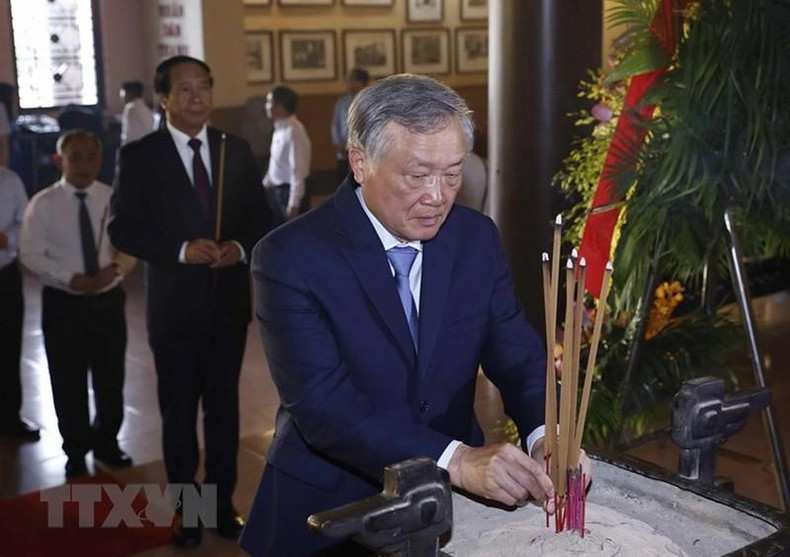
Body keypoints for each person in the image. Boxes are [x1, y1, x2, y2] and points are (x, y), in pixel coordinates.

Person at [240, 74, 592, 556]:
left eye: (452, 173)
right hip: (332, 506)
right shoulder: (290, 256)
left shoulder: (475, 238)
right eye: (417, 174)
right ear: (360, 162)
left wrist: (545, 434)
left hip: (448, 508)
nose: (437, 195)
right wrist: (457, 459)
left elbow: (515, 353)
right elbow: (324, 407)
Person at [109, 56, 274, 549]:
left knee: (223, 411)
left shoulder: (235, 150)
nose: (197, 97)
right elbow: (122, 228)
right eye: (185, 89)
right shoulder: (141, 156)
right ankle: (188, 511)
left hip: (226, 306)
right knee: (180, 415)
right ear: (164, 97)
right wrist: (180, 250)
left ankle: (221, 505)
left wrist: (238, 248)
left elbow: (260, 220)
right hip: (175, 310)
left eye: (204, 87)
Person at [19, 130, 136, 477]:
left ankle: (108, 441)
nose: (84, 164)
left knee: (111, 377)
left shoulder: (112, 198)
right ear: (60, 160)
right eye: (75, 157)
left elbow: (129, 245)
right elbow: (30, 253)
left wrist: (115, 269)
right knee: (67, 378)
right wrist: (68, 277)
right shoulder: (43, 203)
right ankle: (75, 449)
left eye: (91, 157)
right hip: (63, 303)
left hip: (107, 300)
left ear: (101, 160)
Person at [0, 165, 40, 441]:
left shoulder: (10, 180)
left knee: (9, 345)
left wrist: (6, 239)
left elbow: (25, 223)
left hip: (4, 274)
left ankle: (9, 417)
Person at [262, 85, 311, 224]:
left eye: (269, 102)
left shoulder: (294, 132)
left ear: (278, 105)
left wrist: (293, 205)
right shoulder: (279, 129)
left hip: (289, 193)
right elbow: (276, 163)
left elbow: (298, 171)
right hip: (278, 191)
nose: (266, 106)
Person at [330, 68, 370, 182]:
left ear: (360, 82)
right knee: (343, 182)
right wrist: (338, 143)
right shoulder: (341, 102)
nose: (347, 84)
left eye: (350, 80)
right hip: (342, 151)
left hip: (363, 152)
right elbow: (334, 125)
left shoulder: (370, 101)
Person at [119, 80, 156, 146]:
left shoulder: (130, 108)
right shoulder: (147, 109)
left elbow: (128, 135)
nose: (122, 97)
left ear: (130, 93)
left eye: (123, 93)